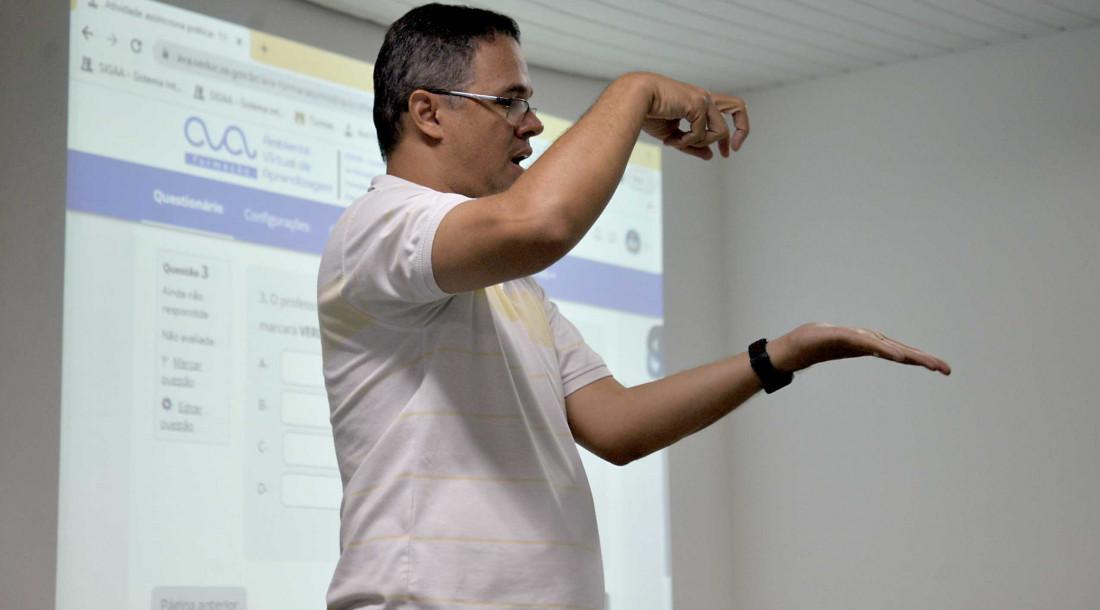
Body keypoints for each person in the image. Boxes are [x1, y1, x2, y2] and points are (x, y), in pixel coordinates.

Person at [317, 4, 951, 609]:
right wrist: (636, 90)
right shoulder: (379, 227)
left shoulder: (510, 288)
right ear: (428, 113)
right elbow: (540, 224)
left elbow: (615, 425)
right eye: (509, 101)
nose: (532, 123)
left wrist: (782, 354)